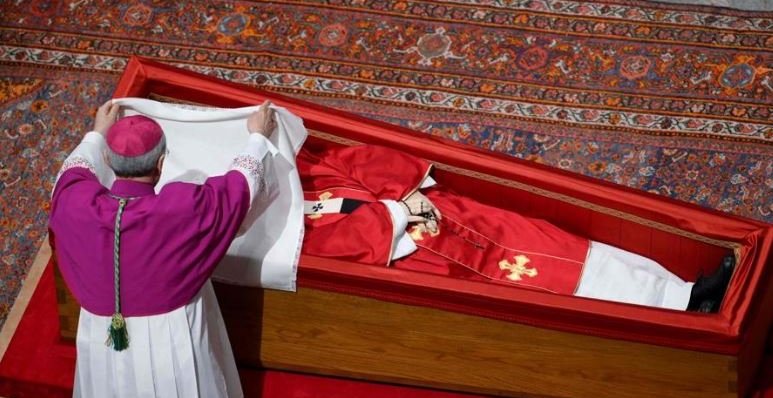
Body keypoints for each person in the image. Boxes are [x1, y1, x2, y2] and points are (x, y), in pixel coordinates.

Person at [50, 100, 277, 398]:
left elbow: (70, 175)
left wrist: (96, 133)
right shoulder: (182, 208)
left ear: (108, 161)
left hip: (103, 341)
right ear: (160, 164)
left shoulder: (75, 205)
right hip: (173, 344)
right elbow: (241, 189)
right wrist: (257, 137)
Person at [298, 144, 734, 313]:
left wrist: (406, 192)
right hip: (420, 263)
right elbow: (335, 251)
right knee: (553, 289)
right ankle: (682, 318)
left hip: (447, 216)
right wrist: (394, 215)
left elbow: (347, 160)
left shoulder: (291, 169)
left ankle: (681, 292)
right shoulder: (267, 237)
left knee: (564, 248)